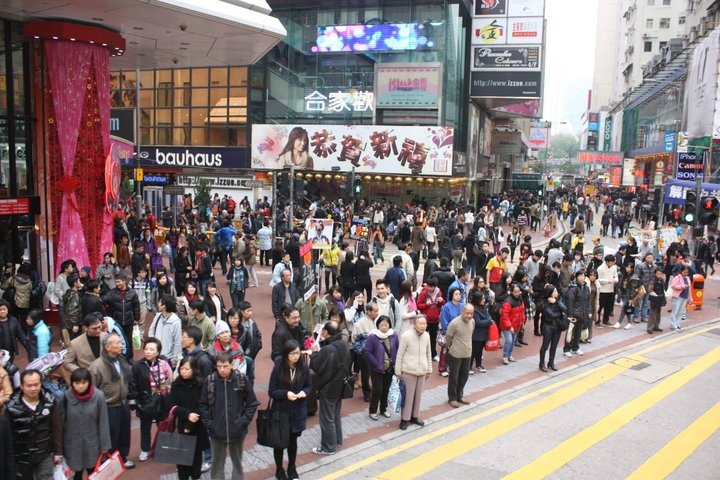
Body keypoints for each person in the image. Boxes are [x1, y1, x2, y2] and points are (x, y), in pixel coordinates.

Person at [198, 350, 259, 480]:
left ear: (232, 364)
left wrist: (243, 421)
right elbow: (202, 405)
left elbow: (252, 403)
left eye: (225, 366)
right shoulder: (210, 381)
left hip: (237, 431)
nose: (222, 370)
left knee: (237, 463)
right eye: (219, 366)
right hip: (216, 431)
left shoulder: (241, 379)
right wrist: (210, 424)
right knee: (217, 465)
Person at [5, 369, 63, 479]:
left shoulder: (50, 402)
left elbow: (56, 428)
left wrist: (58, 452)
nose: (33, 388)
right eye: (29, 385)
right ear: (22, 386)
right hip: (21, 456)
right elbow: (8, 435)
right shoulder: (11, 407)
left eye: (36, 384)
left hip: (44, 453)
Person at [89, 333, 135, 469]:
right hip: (108, 406)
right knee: (110, 436)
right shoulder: (96, 366)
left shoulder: (121, 360)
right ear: (108, 347)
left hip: (123, 403)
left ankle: (123, 457)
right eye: (118, 343)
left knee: (124, 433)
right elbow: (92, 389)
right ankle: (109, 461)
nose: (121, 345)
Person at [268, 340, 313, 480]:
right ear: (286, 354)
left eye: (298, 353)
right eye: (292, 353)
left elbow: (309, 386)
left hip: (297, 411)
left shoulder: (304, 368)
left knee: (293, 442)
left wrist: (304, 392)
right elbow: (272, 391)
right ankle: (279, 469)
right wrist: (285, 394)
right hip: (281, 411)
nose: (296, 356)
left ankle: (292, 468)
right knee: (279, 443)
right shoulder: (278, 368)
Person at [309, 321, 351, 455]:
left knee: (327, 417)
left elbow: (316, 366)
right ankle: (337, 440)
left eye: (322, 331)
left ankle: (328, 446)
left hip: (328, 387)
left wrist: (314, 353)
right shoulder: (343, 345)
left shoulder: (328, 349)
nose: (320, 333)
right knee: (335, 415)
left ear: (326, 332)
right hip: (341, 385)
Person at [62, 368, 112, 480]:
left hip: (92, 444)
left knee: (94, 473)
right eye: (77, 383)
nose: (81, 386)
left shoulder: (98, 396)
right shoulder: (66, 397)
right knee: (76, 474)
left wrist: (105, 446)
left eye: (84, 382)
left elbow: (103, 421)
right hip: (72, 444)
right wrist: (59, 449)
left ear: (89, 382)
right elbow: (60, 423)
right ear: (72, 383)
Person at [166, 356, 211, 480]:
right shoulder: (176, 385)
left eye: (187, 369)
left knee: (196, 458)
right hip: (180, 425)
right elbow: (172, 405)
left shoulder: (201, 384)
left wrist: (189, 425)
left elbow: (202, 405)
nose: (184, 371)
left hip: (197, 426)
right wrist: (187, 414)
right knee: (181, 460)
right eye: (182, 368)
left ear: (194, 370)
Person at [132, 337, 172, 461]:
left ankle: (161, 448)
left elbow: (170, 379)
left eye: (152, 349)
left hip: (162, 400)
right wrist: (136, 401)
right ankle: (145, 449)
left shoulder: (164, 363)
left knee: (163, 425)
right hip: (146, 401)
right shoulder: (138, 366)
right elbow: (133, 384)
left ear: (158, 352)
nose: (148, 352)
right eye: (146, 349)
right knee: (145, 427)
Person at [395, 315, 431, 430]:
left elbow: (428, 353)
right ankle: (404, 419)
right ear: (414, 324)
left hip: (421, 372)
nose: (423, 326)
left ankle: (415, 416)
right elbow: (400, 354)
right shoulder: (406, 336)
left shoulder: (426, 336)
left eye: (425, 323)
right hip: (408, 371)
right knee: (408, 397)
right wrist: (398, 370)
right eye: (420, 323)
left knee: (418, 396)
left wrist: (429, 369)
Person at [363, 315, 399, 420]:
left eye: (386, 324)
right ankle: (373, 410)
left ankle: (383, 409)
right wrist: (375, 363)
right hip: (377, 369)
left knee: (386, 390)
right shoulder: (373, 336)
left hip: (389, 368)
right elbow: (367, 351)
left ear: (389, 325)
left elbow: (397, 348)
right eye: (382, 324)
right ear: (378, 325)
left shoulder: (393, 335)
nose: (384, 326)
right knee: (377, 390)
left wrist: (395, 363)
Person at [101, 272, 141, 361]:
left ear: (124, 281)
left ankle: (129, 357)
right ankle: (118, 357)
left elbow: (136, 306)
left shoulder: (132, 293)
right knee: (116, 340)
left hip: (128, 321)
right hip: (116, 322)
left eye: (119, 282)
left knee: (128, 340)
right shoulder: (111, 293)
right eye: (116, 282)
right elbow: (102, 301)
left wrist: (136, 318)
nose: (117, 284)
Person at [444, 303, 475, 408]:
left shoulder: (472, 322)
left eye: (471, 313)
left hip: (467, 354)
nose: (469, 316)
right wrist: (451, 347)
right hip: (455, 354)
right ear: (462, 311)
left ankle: (459, 395)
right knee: (453, 377)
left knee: (464, 376)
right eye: (467, 313)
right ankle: (452, 398)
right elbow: (448, 337)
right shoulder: (454, 323)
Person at [148, 294, 183, 367]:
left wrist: (175, 359)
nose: (158, 304)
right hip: (155, 354)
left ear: (164, 306)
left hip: (168, 358)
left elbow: (177, 341)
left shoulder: (176, 321)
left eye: (160, 302)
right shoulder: (158, 316)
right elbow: (152, 330)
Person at [539, 286, 567, 372]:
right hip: (548, 327)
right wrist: (560, 313)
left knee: (554, 346)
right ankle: (542, 363)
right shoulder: (544, 302)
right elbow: (551, 314)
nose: (556, 293)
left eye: (557, 291)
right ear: (550, 293)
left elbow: (566, 310)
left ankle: (551, 362)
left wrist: (557, 302)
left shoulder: (558, 300)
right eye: (554, 292)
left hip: (557, 327)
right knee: (545, 346)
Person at [416, 278, 445, 361]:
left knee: (433, 338)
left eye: (431, 287)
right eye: (428, 286)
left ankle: (433, 354)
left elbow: (442, 304)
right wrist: (426, 304)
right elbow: (418, 305)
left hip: (435, 320)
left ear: (435, 286)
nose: (429, 288)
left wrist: (441, 301)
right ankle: (420, 355)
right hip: (425, 320)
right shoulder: (423, 293)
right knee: (421, 338)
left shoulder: (438, 292)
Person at [564, 271, 590, 357]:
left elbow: (588, 301)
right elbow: (570, 302)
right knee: (570, 332)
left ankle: (575, 347)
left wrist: (588, 311)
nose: (582, 278)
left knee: (578, 332)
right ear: (577, 277)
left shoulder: (586, 287)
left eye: (583, 276)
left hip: (582, 314)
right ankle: (567, 349)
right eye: (580, 276)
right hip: (574, 314)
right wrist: (570, 314)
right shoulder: (573, 288)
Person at [500, 284, 525, 365]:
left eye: (518, 292)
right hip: (508, 325)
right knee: (509, 340)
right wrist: (509, 326)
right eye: (515, 292)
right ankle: (505, 356)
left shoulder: (520, 300)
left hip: (517, 324)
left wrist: (522, 321)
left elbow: (522, 312)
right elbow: (505, 316)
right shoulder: (507, 302)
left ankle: (510, 355)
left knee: (513, 341)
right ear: (511, 292)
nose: (517, 294)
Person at [0, 299, 31, 365]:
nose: (2, 311)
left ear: (7, 309)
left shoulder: (13, 321)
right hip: (0, 352)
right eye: (0, 310)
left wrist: (29, 347)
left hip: (10, 350)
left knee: (9, 366)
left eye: (4, 309)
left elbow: (21, 335)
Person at [470, 291, 493, 373]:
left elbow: (488, 316)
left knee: (480, 351)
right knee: (474, 351)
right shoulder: (474, 310)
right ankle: (469, 367)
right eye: (482, 298)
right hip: (476, 335)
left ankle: (478, 365)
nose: (484, 300)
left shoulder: (483, 307)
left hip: (484, 334)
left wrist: (488, 320)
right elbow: (478, 322)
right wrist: (488, 321)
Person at [597, 254, 619, 326]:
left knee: (608, 306)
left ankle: (606, 320)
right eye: (612, 262)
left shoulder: (614, 267)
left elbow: (616, 276)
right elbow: (598, 279)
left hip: (611, 289)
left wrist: (615, 280)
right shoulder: (600, 268)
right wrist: (607, 281)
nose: (613, 263)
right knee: (600, 306)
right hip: (602, 290)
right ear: (608, 262)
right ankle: (597, 320)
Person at [669, 265, 691, 331]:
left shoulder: (687, 278)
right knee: (675, 311)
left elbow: (689, 289)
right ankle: (673, 324)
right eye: (684, 272)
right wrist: (682, 286)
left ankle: (678, 324)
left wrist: (690, 298)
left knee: (681, 312)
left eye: (687, 272)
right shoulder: (677, 277)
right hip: (678, 296)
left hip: (685, 296)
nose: (686, 274)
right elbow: (673, 286)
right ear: (681, 271)